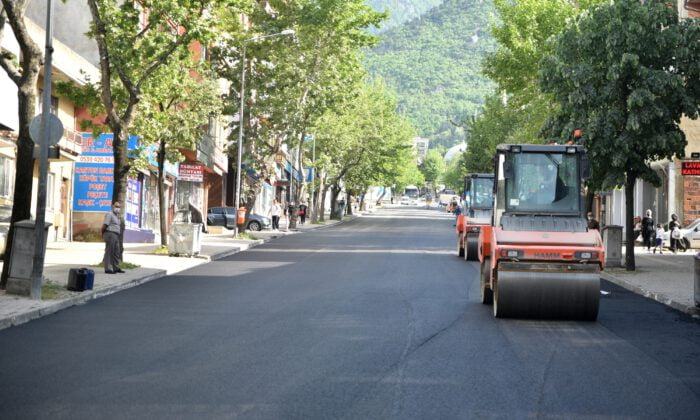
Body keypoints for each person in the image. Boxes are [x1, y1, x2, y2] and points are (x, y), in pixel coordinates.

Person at [101, 201, 124, 274]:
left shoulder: (117, 217)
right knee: (109, 251)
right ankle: (108, 268)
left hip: (116, 235)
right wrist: (102, 233)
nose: (118, 208)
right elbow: (105, 225)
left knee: (116, 252)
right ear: (112, 206)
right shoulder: (109, 214)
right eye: (116, 206)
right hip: (110, 234)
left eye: (119, 207)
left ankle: (116, 267)